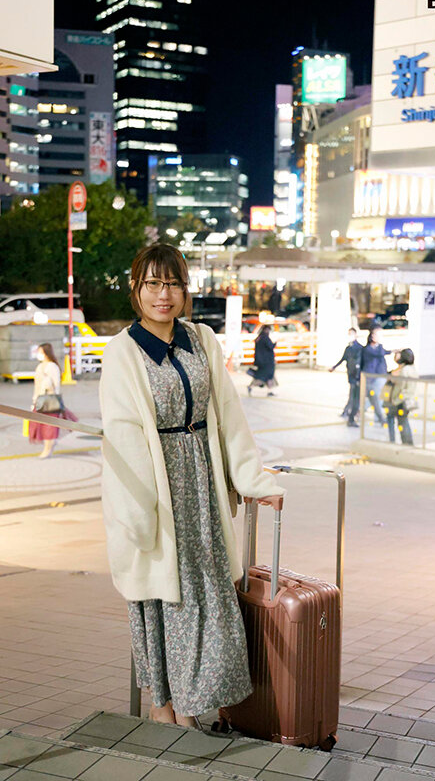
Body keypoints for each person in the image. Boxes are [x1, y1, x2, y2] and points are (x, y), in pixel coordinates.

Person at [99, 243, 285, 729]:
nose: (163, 295)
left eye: (172, 284)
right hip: (156, 490)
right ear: (136, 289)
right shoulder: (122, 352)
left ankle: (188, 704)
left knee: (207, 594)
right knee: (165, 596)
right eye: (152, 284)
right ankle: (166, 707)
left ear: (185, 289)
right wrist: (138, 513)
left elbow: (229, 416)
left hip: (201, 484)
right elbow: (123, 435)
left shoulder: (201, 340)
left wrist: (252, 479)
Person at [29, 343, 77, 459]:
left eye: (41, 352)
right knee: (41, 425)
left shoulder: (52, 367)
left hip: (50, 400)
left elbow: (56, 385)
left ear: (46, 353)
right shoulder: (39, 367)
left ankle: (47, 450)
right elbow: (37, 386)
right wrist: (34, 400)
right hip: (40, 400)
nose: (39, 354)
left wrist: (55, 398)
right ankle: (49, 446)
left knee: (49, 427)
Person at [329, 327, 363, 427]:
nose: (350, 336)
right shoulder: (348, 348)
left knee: (353, 394)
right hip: (350, 374)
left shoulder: (359, 348)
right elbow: (343, 359)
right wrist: (334, 367)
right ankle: (351, 411)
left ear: (356, 335)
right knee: (353, 394)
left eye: (351, 334)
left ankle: (349, 411)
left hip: (356, 375)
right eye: (349, 334)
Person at [385, 349, 418, 446]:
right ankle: (408, 442)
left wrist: (395, 399)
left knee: (402, 422)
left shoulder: (404, 370)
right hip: (409, 399)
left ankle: (406, 442)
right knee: (404, 421)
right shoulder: (413, 368)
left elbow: (400, 386)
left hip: (401, 400)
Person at [361, 327, 391, 426]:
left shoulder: (378, 348)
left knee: (376, 397)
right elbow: (380, 354)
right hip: (373, 376)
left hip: (380, 375)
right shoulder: (369, 349)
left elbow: (384, 352)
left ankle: (362, 410)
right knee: (376, 397)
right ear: (372, 336)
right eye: (379, 335)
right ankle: (378, 417)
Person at [247, 324, 278, 396]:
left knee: (266, 376)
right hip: (267, 361)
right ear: (266, 330)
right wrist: (275, 342)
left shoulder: (259, 337)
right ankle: (251, 386)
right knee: (265, 376)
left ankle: (269, 391)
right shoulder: (265, 338)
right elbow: (271, 346)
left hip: (261, 361)